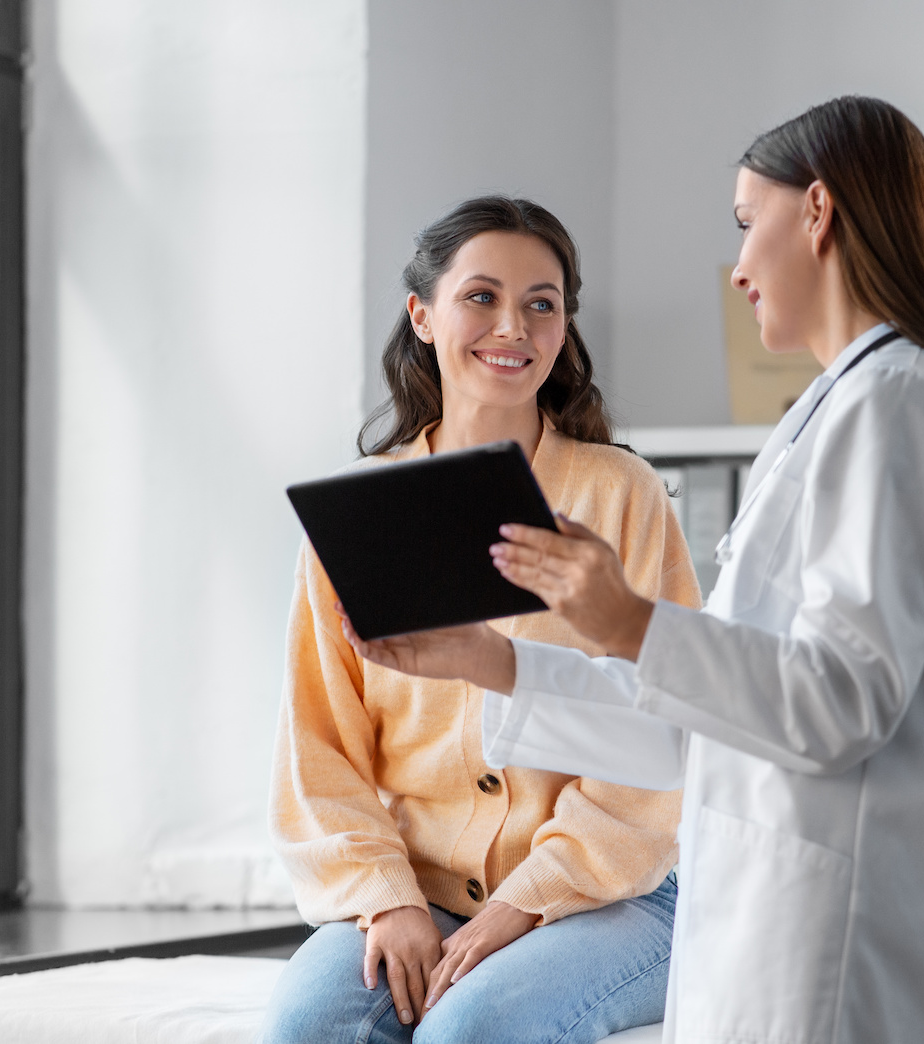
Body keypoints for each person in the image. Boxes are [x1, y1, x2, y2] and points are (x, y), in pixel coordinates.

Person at [343, 97, 924, 1043]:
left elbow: (841, 705)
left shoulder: (896, 405)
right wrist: (495, 663)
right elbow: (702, 727)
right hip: (776, 916)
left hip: (845, 942)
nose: (739, 267)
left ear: (817, 213)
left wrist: (627, 620)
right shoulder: (838, 410)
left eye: (749, 224)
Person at [261, 196, 701, 1044]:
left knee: (470, 1033)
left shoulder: (620, 496)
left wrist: (523, 905)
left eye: (543, 303)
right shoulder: (362, 515)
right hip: (414, 882)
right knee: (308, 1029)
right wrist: (388, 900)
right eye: (482, 297)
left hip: (615, 891)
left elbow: (664, 734)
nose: (515, 325)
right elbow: (317, 744)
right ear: (422, 316)